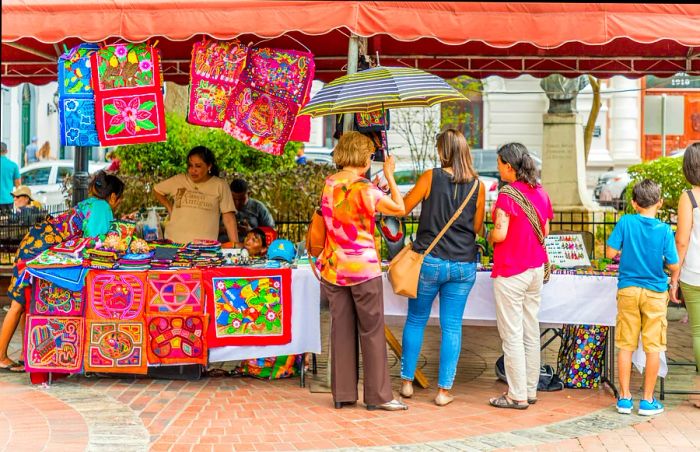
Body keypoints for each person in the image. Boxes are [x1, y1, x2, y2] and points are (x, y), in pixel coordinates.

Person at [317, 131, 407, 411]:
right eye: (370, 155)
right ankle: (378, 397)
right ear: (363, 157)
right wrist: (390, 175)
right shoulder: (366, 189)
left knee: (341, 331)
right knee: (371, 331)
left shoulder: (330, 183)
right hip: (363, 269)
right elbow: (399, 208)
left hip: (334, 267)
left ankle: (342, 394)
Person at [0, 171, 125, 372]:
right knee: (18, 303)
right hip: (39, 249)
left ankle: (26, 355)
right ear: (112, 197)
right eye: (119, 199)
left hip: (34, 242)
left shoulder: (90, 203)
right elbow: (95, 243)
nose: (118, 204)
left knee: (26, 301)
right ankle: (1, 356)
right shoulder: (102, 207)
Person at [398, 129, 486, 406]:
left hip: (430, 260)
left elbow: (401, 208)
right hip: (463, 265)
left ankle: (407, 383)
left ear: (442, 151)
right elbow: (477, 227)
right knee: (452, 327)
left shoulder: (430, 177)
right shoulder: (477, 185)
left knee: (415, 320)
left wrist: (389, 179)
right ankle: (443, 391)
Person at [487, 142, 553, 410]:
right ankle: (529, 389)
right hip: (535, 269)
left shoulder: (507, 195)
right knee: (530, 330)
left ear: (509, 166)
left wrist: (490, 234)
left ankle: (516, 395)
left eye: (500, 162)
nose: (497, 167)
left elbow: (500, 234)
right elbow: (545, 231)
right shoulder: (541, 192)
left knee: (511, 334)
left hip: (511, 270)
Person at [607, 179, 680, 416]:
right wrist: (674, 279)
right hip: (655, 293)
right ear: (659, 203)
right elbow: (674, 263)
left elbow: (610, 252)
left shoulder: (626, 221)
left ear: (633, 203)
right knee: (653, 347)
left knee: (625, 345)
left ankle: (625, 399)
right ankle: (647, 400)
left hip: (628, 289)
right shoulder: (665, 230)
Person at [154, 146, 239, 245]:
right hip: (171, 244)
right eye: (190, 165)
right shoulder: (179, 179)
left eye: (198, 166)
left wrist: (236, 246)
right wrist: (169, 208)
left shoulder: (220, 185)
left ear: (209, 166)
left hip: (204, 248)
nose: (192, 170)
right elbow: (157, 190)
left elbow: (229, 219)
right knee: (159, 260)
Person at [670, 142, 700, 408]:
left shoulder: (689, 197)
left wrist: (674, 277)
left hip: (695, 273)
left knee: (699, 333)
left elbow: (681, 241)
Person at [1, 141, 21, 212]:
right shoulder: (13, 165)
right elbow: (18, 184)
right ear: (6, 151)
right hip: (8, 200)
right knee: (7, 221)